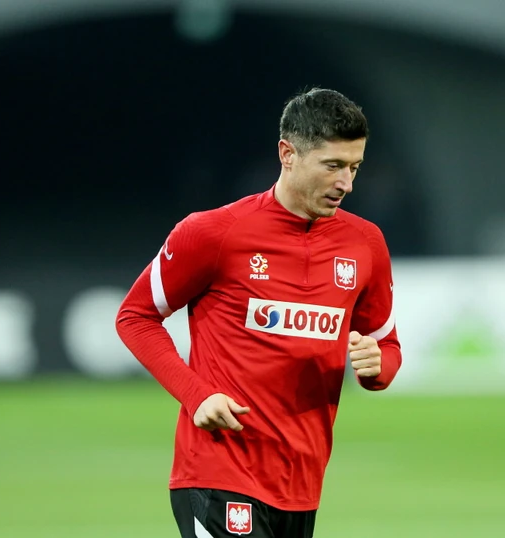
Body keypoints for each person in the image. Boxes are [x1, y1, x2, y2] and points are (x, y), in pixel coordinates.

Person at [116, 88, 402, 538]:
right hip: (219, 471)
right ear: (287, 154)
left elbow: (386, 347)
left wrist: (376, 366)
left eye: (354, 167)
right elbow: (135, 317)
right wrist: (196, 395)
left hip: (301, 483)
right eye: (332, 166)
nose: (346, 183)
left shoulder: (365, 243)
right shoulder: (213, 233)